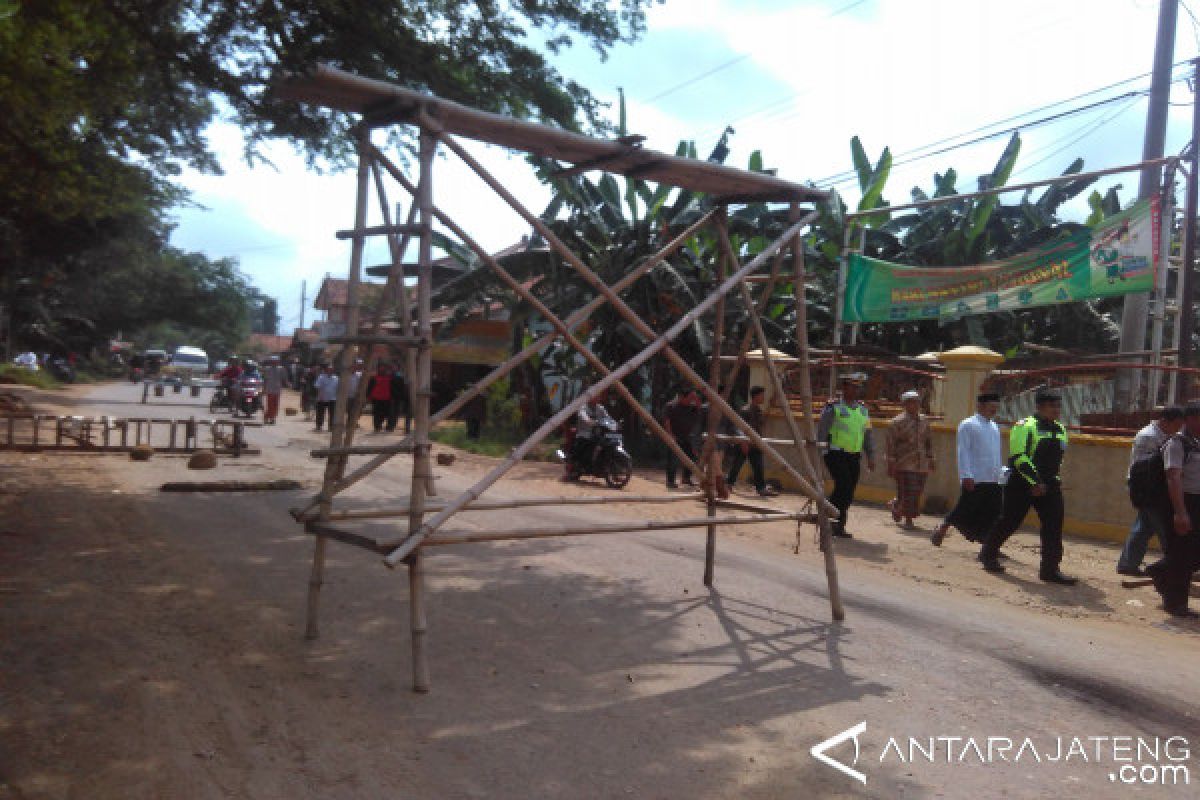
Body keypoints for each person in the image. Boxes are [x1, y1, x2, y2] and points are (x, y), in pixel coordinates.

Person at [979, 388, 1075, 584]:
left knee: (1053, 526)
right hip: (1023, 483)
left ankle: (1050, 569)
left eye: (1058, 406)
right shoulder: (1024, 426)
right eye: (1051, 406)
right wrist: (1035, 481)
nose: (1056, 410)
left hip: (1049, 485)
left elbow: (1058, 458)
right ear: (1040, 407)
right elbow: (1018, 457)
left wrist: (1052, 479)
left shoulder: (1060, 429)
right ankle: (988, 553)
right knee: (1010, 521)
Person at [1118, 406, 1185, 576]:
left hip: (1155, 488)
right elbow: (1149, 468)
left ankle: (1128, 564)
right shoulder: (1148, 436)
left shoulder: (1168, 434)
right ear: (1165, 421)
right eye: (1177, 425)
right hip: (1147, 489)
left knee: (1143, 527)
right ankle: (1173, 566)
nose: (1179, 429)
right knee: (1165, 527)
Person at [931, 392, 1005, 547]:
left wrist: (1000, 473)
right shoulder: (968, 424)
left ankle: (988, 545)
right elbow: (963, 452)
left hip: (993, 477)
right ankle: (943, 527)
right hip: (975, 477)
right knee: (964, 508)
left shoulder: (994, 426)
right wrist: (966, 475)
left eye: (996, 408)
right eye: (991, 407)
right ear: (980, 406)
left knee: (994, 511)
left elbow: (996, 453)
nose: (994, 411)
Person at [1149, 403, 1200, 618]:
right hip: (1183, 501)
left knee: (1189, 554)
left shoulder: (1196, 443)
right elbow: (1173, 477)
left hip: (1198, 501)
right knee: (1183, 555)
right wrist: (1180, 512)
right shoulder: (1177, 444)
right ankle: (1175, 603)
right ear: (1189, 419)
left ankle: (1160, 569)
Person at [818, 373, 875, 538]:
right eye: (852, 386)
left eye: (858, 387)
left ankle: (837, 523)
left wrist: (871, 455)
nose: (855, 390)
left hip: (854, 456)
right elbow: (822, 430)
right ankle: (830, 519)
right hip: (835, 453)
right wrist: (822, 451)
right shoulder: (833, 407)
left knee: (848, 492)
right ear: (844, 387)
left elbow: (868, 434)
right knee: (844, 486)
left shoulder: (863, 410)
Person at [886, 389, 935, 530]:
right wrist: (891, 463)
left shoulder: (925, 421)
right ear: (905, 404)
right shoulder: (896, 422)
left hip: (921, 463)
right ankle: (908, 519)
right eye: (911, 402)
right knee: (909, 491)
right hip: (903, 462)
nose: (914, 405)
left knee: (917, 491)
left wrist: (931, 458)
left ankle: (896, 505)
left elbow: (928, 442)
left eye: (916, 402)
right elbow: (890, 444)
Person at [726, 386, 777, 498]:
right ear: (756, 396)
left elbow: (762, 422)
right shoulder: (745, 410)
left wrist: (769, 406)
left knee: (758, 467)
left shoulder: (757, 410)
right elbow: (738, 427)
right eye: (762, 395)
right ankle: (728, 484)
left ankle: (761, 488)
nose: (763, 397)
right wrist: (743, 442)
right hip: (745, 443)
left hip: (755, 443)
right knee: (736, 465)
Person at [663, 386, 702, 489]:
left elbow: (700, 408)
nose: (691, 401)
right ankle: (670, 481)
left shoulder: (692, 407)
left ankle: (686, 478)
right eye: (689, 398)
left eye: (692, 399)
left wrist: (696, 397)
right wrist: (671, 435)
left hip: (688, 437)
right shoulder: (671, 406)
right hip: (675, 437)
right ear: (681, 397)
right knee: (672, 460)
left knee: (691, 458)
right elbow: (667, 421)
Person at [571, 391, 614, 471]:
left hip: (597, 433)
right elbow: (582, 415)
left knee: (609, 439)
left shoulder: (600, 408)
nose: (597, 398)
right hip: (584, 432)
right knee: (586, 443)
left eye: (598, 396)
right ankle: (578, 465)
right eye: (595, 396)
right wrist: (588, 421)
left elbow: (608, 418)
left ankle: (600, 461)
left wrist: (614, 424)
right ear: (590, 397)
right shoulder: (583, 407)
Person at [366, 363, 395, 433]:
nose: (382, 369)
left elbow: (392, 389)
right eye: (381, 368)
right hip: (376, 399)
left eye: (383, 368)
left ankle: (384, 425)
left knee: (385, 413)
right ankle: (377, 426)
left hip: (386, 399)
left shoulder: (390, 378)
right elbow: (369, 388)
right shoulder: (373, 378)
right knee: (376, 413)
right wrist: (368, 397)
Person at [261, 356, 287, 425]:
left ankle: (273, 418)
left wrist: (287, 384)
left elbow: (284, 378)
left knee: (275, 404)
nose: (274, 363)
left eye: (276, 361)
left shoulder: (281, 369)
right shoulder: (267, 369)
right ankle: (267, 416)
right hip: (269, 389)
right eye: (273, 361)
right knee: (270, 404)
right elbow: (265, 379)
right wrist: (264, 389)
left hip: (277, 389)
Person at [313, 364, 338, 432]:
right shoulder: (321, 377)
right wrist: (320, 396)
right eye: (329, 369)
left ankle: (331, 427)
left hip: (332, 398)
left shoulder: (336, 378)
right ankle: (319, 426)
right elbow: (318, 387)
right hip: (322, 398)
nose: (330, 370)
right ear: (326, 370)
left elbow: (338, 388)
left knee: (332, 414)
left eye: (332, 369)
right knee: (320, 413)